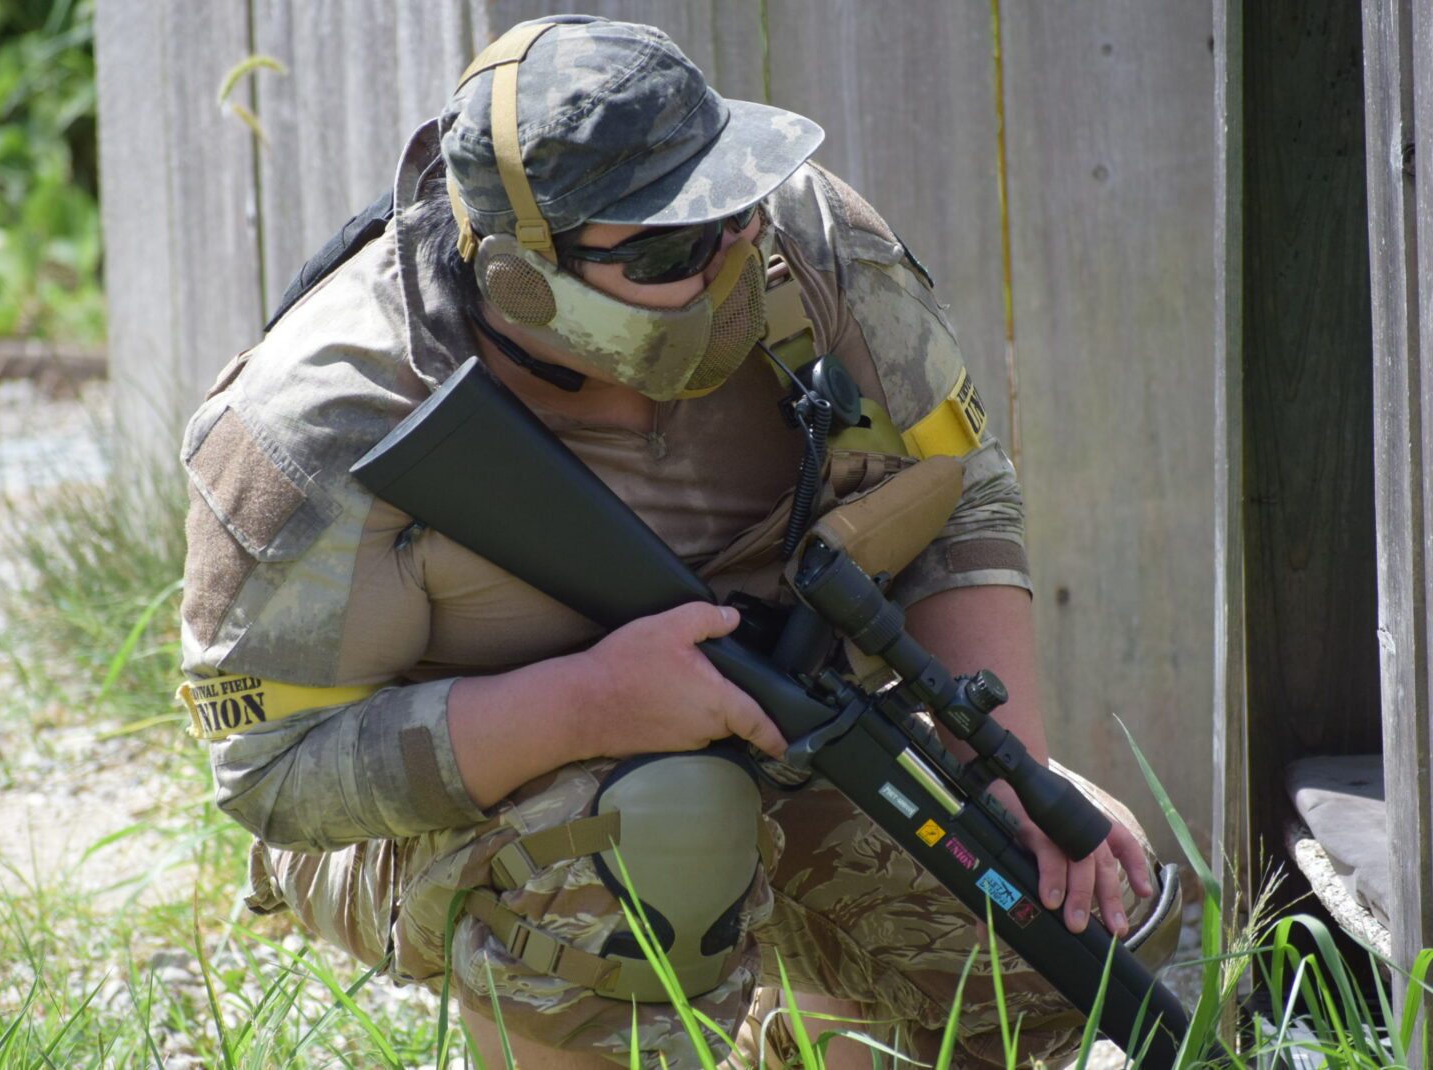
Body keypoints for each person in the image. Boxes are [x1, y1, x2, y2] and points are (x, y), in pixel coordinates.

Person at [177, 15, 1178, 1068]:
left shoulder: (811, 249)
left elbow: (961, 494)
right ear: (519, 276)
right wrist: (584, 704)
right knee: (660, 821)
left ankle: (801, 1040)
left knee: (1063, 918)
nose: (735, 257)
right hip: (457, 814)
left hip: (790, 734)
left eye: (736, 209)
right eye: (670, 249)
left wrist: (1001, 769)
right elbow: (276, 773)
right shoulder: (323, 415)